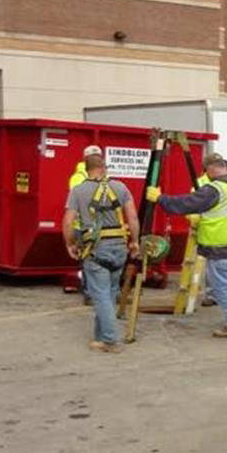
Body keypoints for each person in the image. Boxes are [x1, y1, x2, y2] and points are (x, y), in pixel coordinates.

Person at [152, 153, 227, 340]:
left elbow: (185, 204)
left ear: (209, 170)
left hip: (219, 246)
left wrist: (160, 199)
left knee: (225, 287)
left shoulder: (214, 189)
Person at [62, 144, 139, 353]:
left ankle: (110, 340)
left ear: (85, 169)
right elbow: (132, 217)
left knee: (101, 296)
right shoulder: (121, 187)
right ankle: (100, 336)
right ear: (104, 167)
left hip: (95, 250)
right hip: (119, 248)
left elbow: (68, 222)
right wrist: (135, 242)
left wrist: (70, 243)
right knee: (109, 293)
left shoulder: (78, 190)